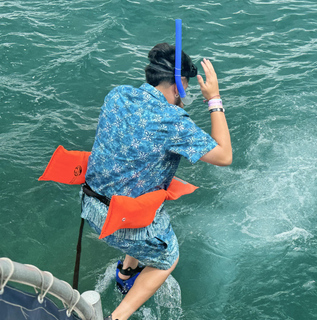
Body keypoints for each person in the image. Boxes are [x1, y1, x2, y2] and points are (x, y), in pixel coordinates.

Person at [81, 43, 232, 320]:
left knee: (146, 194)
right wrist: (214, 99)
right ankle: (118, 316)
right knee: (167, 257)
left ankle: (127, 271)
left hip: (90, 207)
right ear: (179, 84)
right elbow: (224, 155)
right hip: (120, 222)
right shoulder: (171, 120)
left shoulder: (118, 95)